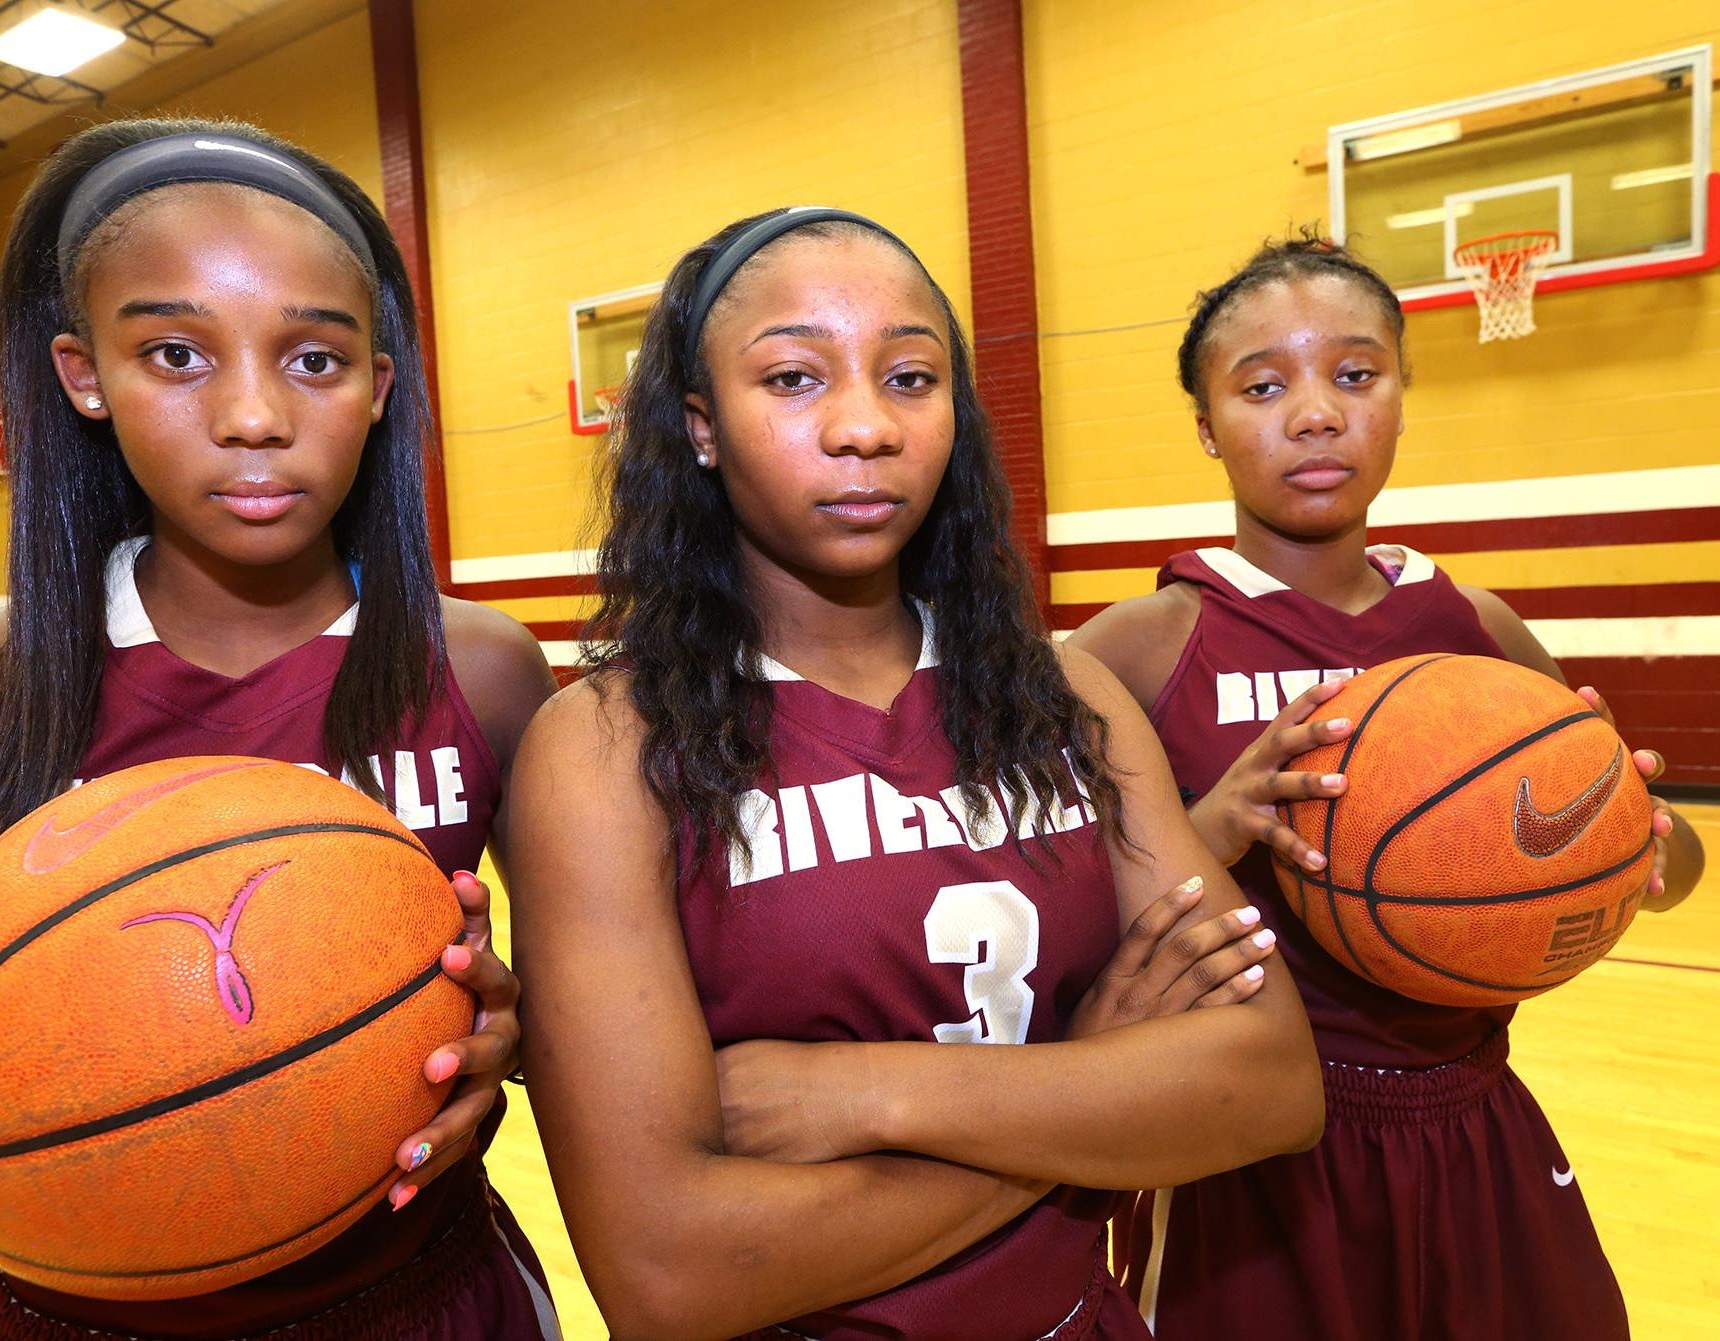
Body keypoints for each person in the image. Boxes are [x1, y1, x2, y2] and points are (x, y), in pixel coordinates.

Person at [508, 206, 1324, 1340]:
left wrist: (875, 1094)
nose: (862, 427)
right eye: (793, 379)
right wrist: (1095, 1099)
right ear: (700, 427)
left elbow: (1273, 1081)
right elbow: (671, 1274)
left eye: (909, 378)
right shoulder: (604, 747)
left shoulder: (1069, 699)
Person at [0, 117, 563, 1340]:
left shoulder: (480, 670)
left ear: (379, 389)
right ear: (81, 376)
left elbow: (580, 1029)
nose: (255, 415)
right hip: (84, 1311)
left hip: (428, 1295)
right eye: (175, 353)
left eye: (315, 361)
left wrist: (507, 1031)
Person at [1070, 233, 1706, 1341]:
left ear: (1404, 396)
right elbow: (1059, 914)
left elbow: (1672, 870)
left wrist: (1631, 839)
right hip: (1239, 1140)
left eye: (1355, 375)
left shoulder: (1477, 632)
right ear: (1206, 426)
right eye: (1262, 386)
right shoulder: (1134, 649)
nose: (1315, 413)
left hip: (1472, 1121)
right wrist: (1215, 826)